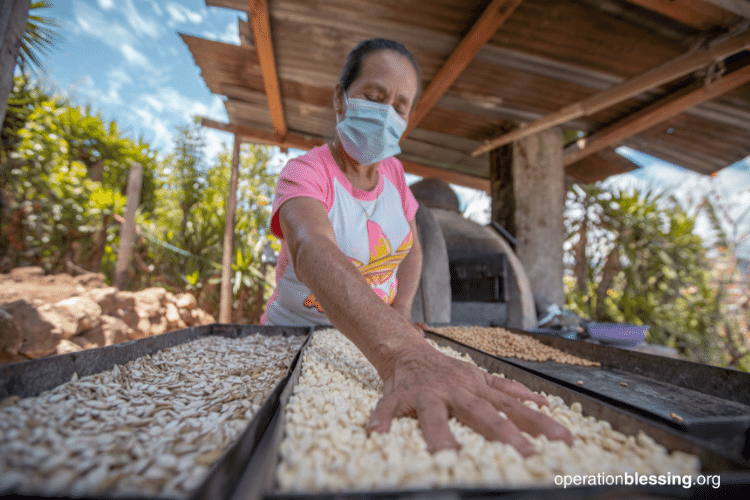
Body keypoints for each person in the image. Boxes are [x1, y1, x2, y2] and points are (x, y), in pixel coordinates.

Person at [262, 38, 572, 454]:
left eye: (400, 106)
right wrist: (405, 353)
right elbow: (311, 248)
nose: (386, 113)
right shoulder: (306, 172)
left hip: (372, 341)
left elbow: (410, 248)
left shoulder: (392, 173)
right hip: (294, 336)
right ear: (340, 97)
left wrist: (402, 312)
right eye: (374, 97)